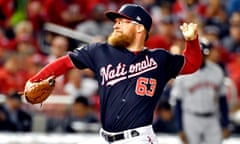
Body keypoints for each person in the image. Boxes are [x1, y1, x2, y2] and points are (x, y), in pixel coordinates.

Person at [24, 3, 202, 144]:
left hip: (138, 138)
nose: (115, 25)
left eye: (122, 21)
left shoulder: (159, 59)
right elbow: (65, 62)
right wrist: (35, 80)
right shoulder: (100, 51)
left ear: (139, 28)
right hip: (104, 137)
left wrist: (192, 41)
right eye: (115, 21)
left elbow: (192, 64)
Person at [170, 38, 230, 144]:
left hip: (212, 118)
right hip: (190, 118)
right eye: (200, 53)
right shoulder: (183, 72)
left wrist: (225, 124)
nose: (202, 57)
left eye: (204, 54)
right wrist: (180, 128)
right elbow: (177, 102)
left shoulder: (217, 71)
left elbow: (222, 99)